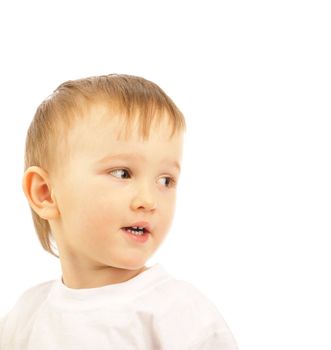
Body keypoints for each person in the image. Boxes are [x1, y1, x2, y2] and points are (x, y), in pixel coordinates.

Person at [0, 74, 238, 349]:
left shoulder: (179, 314)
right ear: (45, 193)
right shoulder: (24, 320)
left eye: (165, 181)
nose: (149, 200)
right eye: (123, 173)